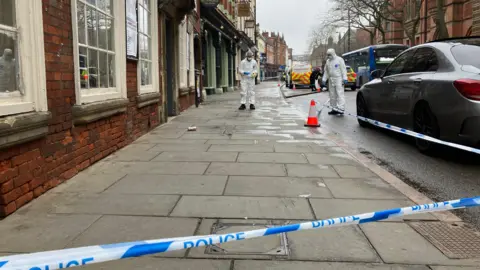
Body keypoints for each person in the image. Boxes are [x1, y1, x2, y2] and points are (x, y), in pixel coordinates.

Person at [322, 48, 347, 115]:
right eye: (327, 55)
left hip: (338, 79)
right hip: (331, 79)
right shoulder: (328, 61)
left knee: (340, 94)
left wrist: (344, 78)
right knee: (332, 95)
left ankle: (341, 108)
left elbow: (343, 69)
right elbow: (326, 71)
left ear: (333, 53)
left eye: (329, 54)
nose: (328, 56)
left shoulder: (339, 60)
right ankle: (334, 108)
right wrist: (324, 79)